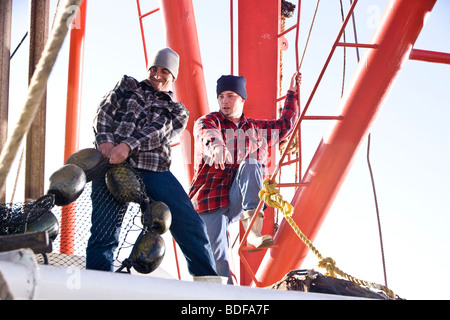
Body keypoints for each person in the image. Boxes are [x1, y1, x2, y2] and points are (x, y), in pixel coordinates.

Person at [86, 47, 218, 278]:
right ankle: (97, 284)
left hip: (153, 170)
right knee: (104, 233)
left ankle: (208, 282)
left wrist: (127, 146)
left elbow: (160, 131)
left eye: (164, 71)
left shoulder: (178, 111)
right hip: (111, 166)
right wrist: (104, 141)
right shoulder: (127, 86)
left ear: (173, 76)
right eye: (153, 69)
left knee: (191, 224)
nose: (157, 74)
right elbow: (105, 111)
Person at [189, 72, 302, 283]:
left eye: (230, 95)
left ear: (242, 98)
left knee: (252, 163)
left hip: (237, 198)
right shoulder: (210, 121)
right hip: (209, 200)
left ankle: (253, 231)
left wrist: (292, 93)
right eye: (221, 96)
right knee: (216, 260)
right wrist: (217, 146)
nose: (225, 101)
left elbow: (285, 126)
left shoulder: (256, 130)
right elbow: (206, 132)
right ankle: (222, 299)